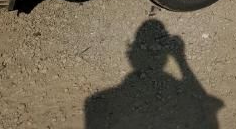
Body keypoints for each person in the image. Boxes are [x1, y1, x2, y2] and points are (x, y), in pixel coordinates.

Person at [85, 19, 223, 128]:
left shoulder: (95, 102)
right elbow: (204, 109)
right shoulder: (175, 89)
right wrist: (181, 60)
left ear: (130, 55)